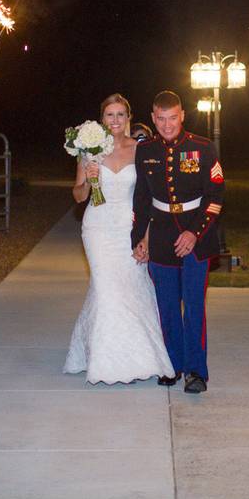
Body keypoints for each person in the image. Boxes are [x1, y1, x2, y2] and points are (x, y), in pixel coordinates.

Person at [64, 93, 174, 384]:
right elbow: (78, 195)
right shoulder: (89, 149)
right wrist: (87, 178)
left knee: (131, 288)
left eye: (120, 115)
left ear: (129, 117)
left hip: (130, 227)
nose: (115, 120)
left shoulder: (141, 149)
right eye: (109, 115)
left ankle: (142, 357)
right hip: (97, 228)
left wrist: (147, 238)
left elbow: (150, 199)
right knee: (105, 289)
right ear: (102, 119)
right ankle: (104, 361)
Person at [131, 90, 224, 394]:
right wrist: (139, 238)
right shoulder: (145, 151)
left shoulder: (203, 148)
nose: (167, 125)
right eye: (161, 118)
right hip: (160, 237)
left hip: (197, 237)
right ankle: (172, 365)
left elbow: (215, 198)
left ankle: (197, 371)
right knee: (167, 306)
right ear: (153, 117)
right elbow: (142, 199)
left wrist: (194, 233)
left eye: (173, 118)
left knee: (194, 306)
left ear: (182, 115)